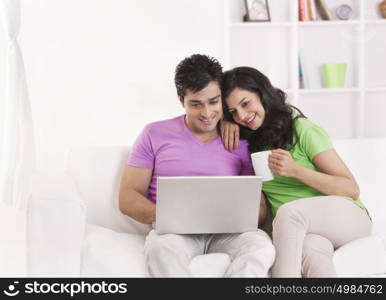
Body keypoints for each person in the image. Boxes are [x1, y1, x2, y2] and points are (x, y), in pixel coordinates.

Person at [118, 55, 275, 277]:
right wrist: (173, 215)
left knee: (261, 246)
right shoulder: (154, 134)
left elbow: (259, 209)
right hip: (174, 232)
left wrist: (242, 214)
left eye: (213, 102)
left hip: (227, 231)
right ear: (181, 100)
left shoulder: (240, 139)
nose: (207, 113)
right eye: (196, 104)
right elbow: (127, 198)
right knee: (160, 249)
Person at [220, 66, 372, 278]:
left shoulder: (302, 129)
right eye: (233, 112)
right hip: (303, 231)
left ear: (262, 94)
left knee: (289, 213)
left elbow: (350, 188)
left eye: (246, 103)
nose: (242, 115)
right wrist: (224, 122)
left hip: (348, 218)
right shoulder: (248, 143)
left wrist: (296, 171)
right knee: (312, 251)